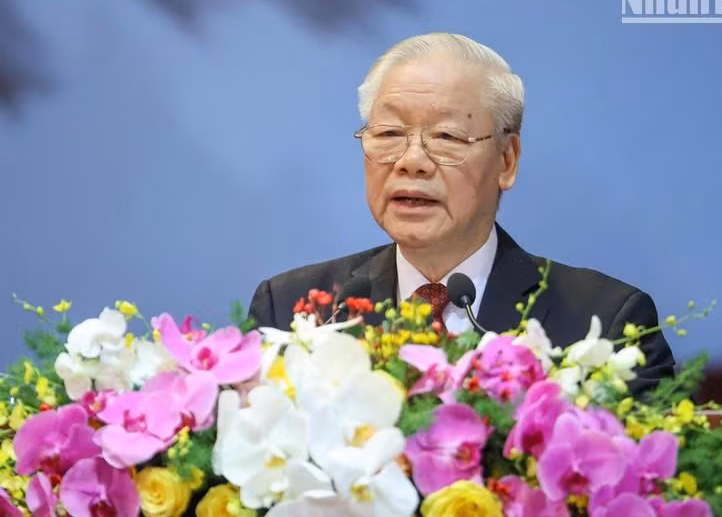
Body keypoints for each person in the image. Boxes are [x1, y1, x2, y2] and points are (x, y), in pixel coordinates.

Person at [248, 32, 674, 393]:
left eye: (447, 135)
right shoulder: (290, 309)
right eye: (390, 133)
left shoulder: (607, 323)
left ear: (507, 160)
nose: (411, 161)